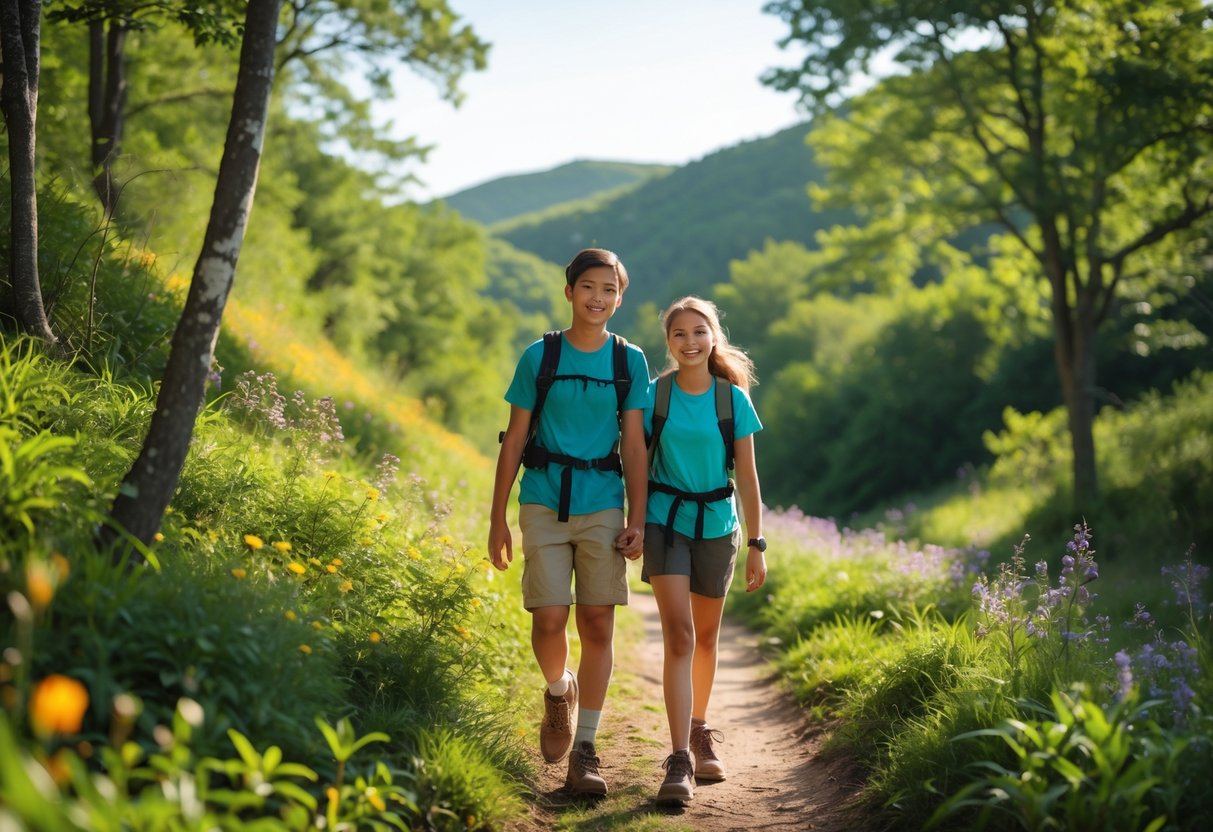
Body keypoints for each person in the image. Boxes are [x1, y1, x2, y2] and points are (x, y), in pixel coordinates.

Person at [488, 247, 649, 797]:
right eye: (588, 287)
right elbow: (513, 440)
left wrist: (640, 518)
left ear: (620, 298)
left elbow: (633, 443)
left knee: (598, 623)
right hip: (542, 499)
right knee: (549, 619)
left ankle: (585, 748)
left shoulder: (630, 362)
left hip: (604, 503)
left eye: (609, 289)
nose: (598, 298)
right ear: (569, 292)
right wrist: (496, 520)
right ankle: (559, 691)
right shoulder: (540, 356)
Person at [641, 295, 767, 805]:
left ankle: (699, 727)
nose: (690, 342)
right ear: (668, 343)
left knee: (708, 638)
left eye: (699, 332)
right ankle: (678, 759)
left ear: (714, 337)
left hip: (718, 525)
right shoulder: (655, 395)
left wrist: (757, 544)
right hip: (664, 523)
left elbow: (750, 479)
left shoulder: (731, 399)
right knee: (679, 636)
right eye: (679, 334)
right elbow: (636, 462)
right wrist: (631, 522)